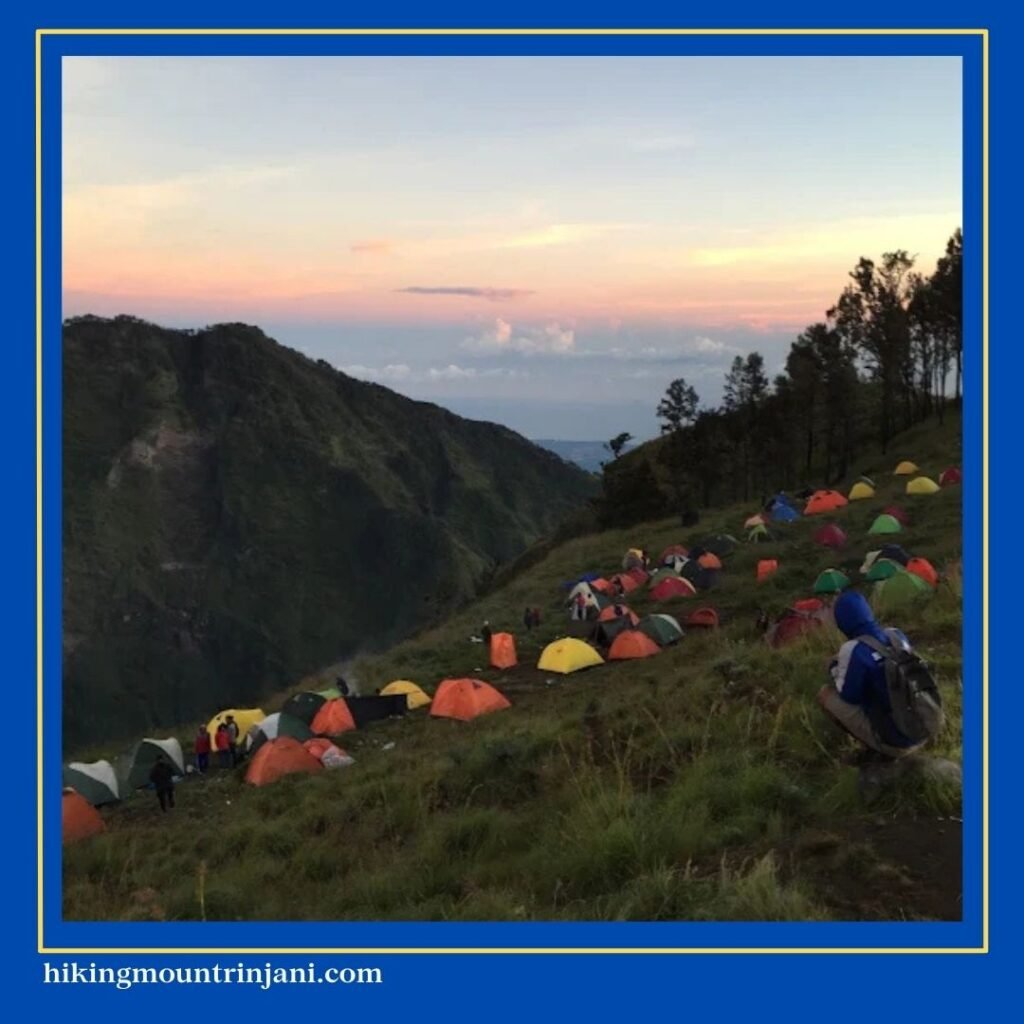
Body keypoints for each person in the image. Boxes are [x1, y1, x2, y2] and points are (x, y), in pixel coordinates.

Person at [817, 590, 930, 759]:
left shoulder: (853, 649)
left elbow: (849, 695)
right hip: (924, 728)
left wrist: (833, 667)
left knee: (824, 695)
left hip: (897, 742)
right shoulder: (896, 635)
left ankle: (875, 748)